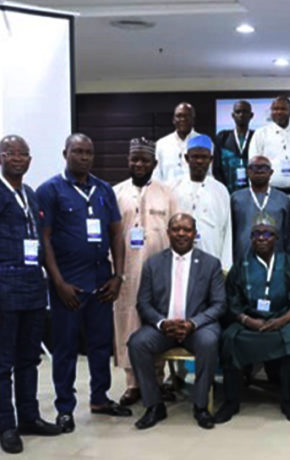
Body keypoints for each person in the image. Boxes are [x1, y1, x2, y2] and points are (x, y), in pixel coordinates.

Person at [37, 133, 131, 433]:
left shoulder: (104, 190)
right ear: (65, 153)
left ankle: (100, 398)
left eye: (88, 152)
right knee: (65, 348)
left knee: (101, 344)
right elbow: (45, 239)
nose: (84, 157)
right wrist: (59, 282)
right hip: (69, 285)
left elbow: (117, 233)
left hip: (101, 281)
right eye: (77, 151)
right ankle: (65, 407)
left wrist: (118, 276)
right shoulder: (49, 190)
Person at [128, 213, 226, 430]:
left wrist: (193, 323)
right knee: (137, 343)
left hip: (198, 328)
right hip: (163, 328)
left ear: (195, 234)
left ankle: (201, 406)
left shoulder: (210, 264)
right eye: (176, 229)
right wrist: (163, 323)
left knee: (209, 342)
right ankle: (154, 405)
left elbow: (219, 304)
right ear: (168, 233)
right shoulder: (153, 264)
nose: (181, 233)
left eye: (187, 229)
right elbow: (143, 303)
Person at [0, 135, 62, 454]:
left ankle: (29, 416)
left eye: (23, 154)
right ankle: (6, 425)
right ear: (1, 157)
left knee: (29, 359)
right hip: (4, 289)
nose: (18, 158)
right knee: (3, 362)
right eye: (11, 153)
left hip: (33, 290)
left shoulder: (31, 194)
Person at [215, 214, 290, 424]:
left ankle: (288, 401)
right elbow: (232, 301)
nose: (262, 238)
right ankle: (231, 401)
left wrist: (283, 320)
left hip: (281, 320)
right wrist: (248, 321)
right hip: (248, 322)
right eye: (256, 234)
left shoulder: (289, 263)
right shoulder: (241, 265)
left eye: (267, 233)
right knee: (230, 339)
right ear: (251, 238)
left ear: (276, 238)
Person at [113, 138, 178, 407]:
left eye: (144, 160)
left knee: (157, 325)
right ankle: (132, 384)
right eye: (134, 159)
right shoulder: (115, 192)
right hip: (126, 273)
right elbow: (110, 235)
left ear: (155, 163)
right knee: (128, 325)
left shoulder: (167, 193)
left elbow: (177, 233)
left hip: (159, 274)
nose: (139, 164)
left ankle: (157, 380)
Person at [171, 135, 232, 271]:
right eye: (195, 156)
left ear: (211, 160)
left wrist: (226, 266)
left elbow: (227, 231)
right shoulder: (173, 188)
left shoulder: (220, 190)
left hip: (212, 261)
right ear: (187, 158)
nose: (199, 161)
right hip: (179, 263)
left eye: (204, 157)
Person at [231, 155, 290, 260]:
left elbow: (288, 235)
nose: (259, 171)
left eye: (264, 167)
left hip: (276, 259)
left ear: (271, 172)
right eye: (254, 167)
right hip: (243, 258)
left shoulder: (283, 199)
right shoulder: (236, 198)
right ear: (247, 172)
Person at [247, 96, 290, 194]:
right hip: (269, 192)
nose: (279, 112)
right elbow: (252, 165)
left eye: (283, 109)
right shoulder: (261, 133)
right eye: (275, 109)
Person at [153, 102, 201, 184]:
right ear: (173, 120)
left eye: (187, 116)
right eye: (179, 116)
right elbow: (156, 175)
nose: (182, 119)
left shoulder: (204, 142)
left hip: (196, 195)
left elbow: (209, 174)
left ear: (193, 119)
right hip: (167, 195)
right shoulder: (161, 144)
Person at [214, 100, 254, 193]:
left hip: (251, 191)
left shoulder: (256, 136)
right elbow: (216, 167)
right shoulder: (223, 137)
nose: (241, 115)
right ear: (233, 115)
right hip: (227, 189)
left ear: (251, 115)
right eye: (238, 112)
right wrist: (222, 189)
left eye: (245, 112)